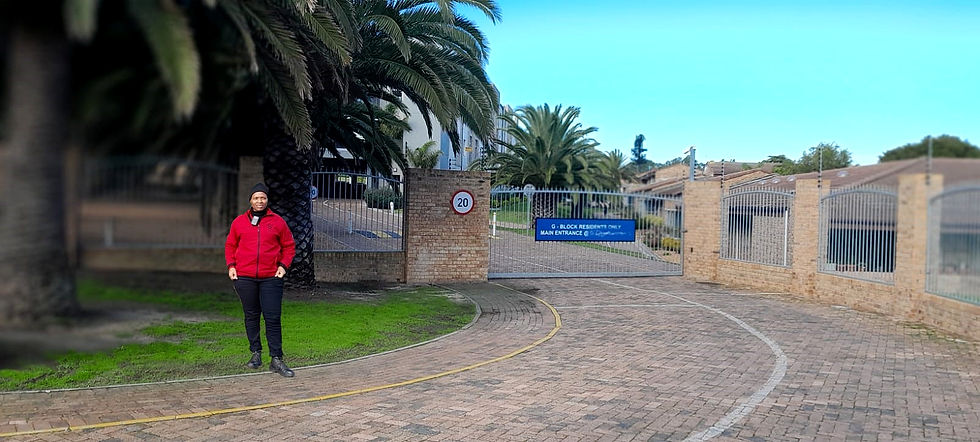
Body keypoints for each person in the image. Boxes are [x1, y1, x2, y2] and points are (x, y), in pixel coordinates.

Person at [225, 183, 297, 377]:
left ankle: (276, 359)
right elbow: (230, 245)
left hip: (271, 278)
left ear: (267, 200)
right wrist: (231, 266)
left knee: (272, 317)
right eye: (256, 198)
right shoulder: (239, 222)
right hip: (245, 277)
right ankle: (255, 353)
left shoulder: (278, 222)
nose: (260, 201)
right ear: (250, 200)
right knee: (251, 316)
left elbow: (289, 246)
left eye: (263, 198)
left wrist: (283, 266)